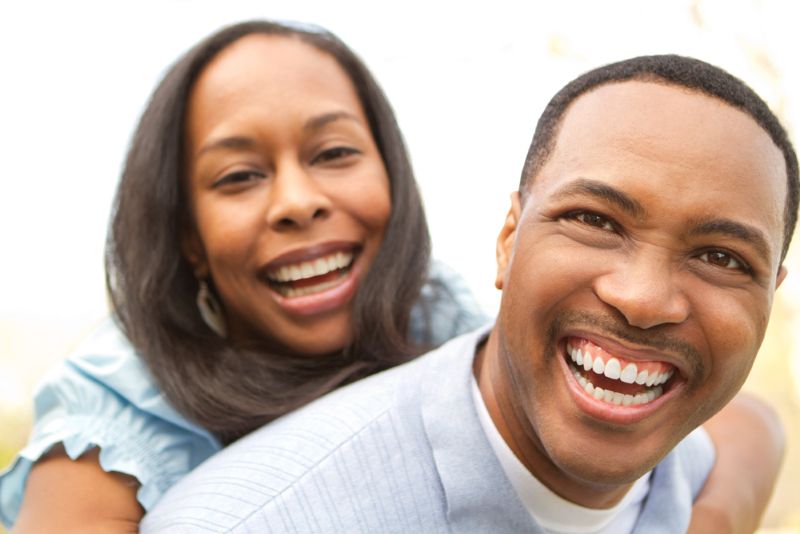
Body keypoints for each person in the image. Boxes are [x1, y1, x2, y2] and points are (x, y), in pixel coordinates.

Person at [0, 22, 783, 532]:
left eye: (334, 154)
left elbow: (748, 427)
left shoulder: (430, 309)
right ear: (189, 240)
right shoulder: (118, 417)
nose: (299, 202)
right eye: (239, 177)